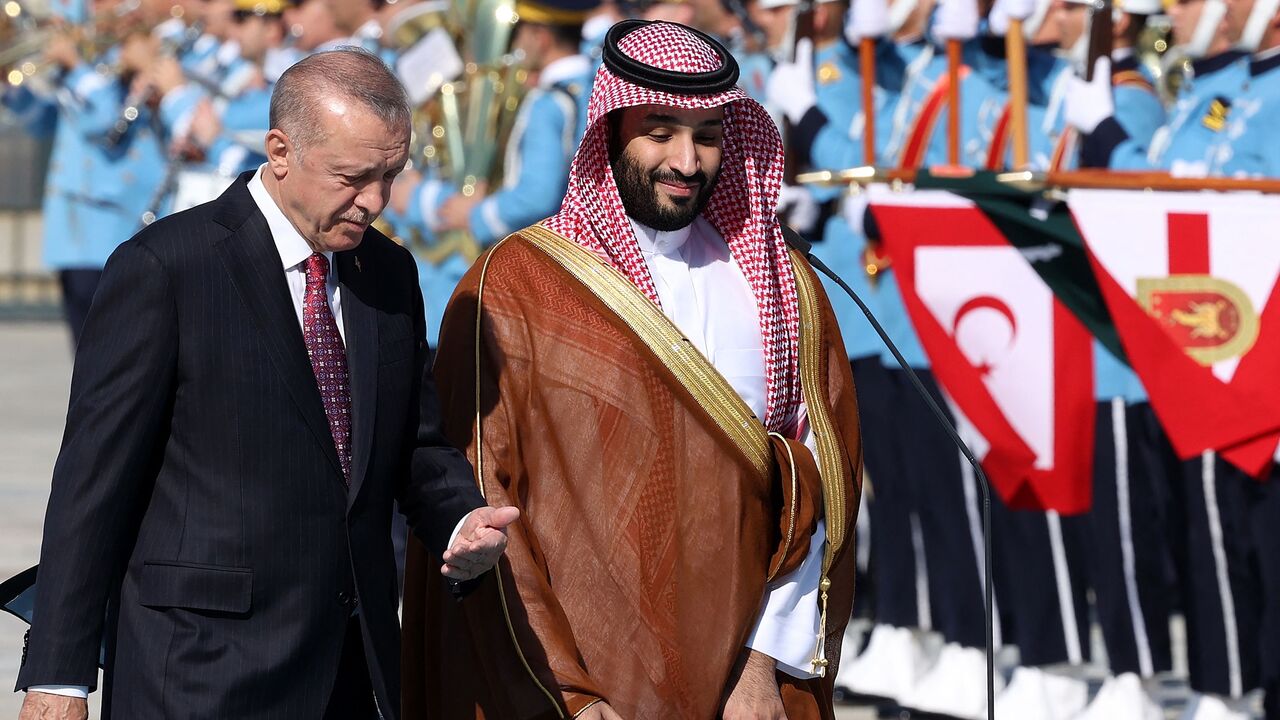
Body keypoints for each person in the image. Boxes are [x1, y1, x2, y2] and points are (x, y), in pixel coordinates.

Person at [15, 49, 517, 720]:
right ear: (279, 150)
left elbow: (412, 443)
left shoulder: (389, 276)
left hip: (349, 669)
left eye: (390, 175)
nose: (374, 200)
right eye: (352, 175)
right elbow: (91, 484)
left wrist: (458, 519)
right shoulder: (167, 268)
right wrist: (60, 675)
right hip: (198, 672)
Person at [401, 19, 862, 719]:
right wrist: (571, 700)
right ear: (610, 129)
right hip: (577, 680)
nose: (687, 159)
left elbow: (819, 480)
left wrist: (763, 664)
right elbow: (486, 503)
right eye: (660, 130)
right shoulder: (519, 284)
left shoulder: (783, 282)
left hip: (745, 680)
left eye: (708, 135)